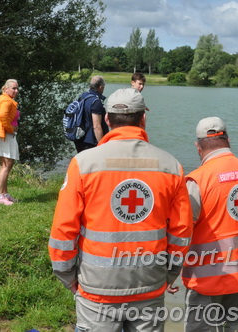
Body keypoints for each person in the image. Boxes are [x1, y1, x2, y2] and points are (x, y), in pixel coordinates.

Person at [48, 88, 193, 331]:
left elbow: (64, 230)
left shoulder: (83, 164)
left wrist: (67, 277)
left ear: (106, 119)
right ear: (143, 119)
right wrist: (169, 275)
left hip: (97, 287)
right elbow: (181, 233)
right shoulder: (171, 166)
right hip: (149, 285)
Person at [181, 117, 238, 331]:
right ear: (228, 140)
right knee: (236, 326)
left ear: (198, 147)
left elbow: (182, 231)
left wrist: (169, 271)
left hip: (206, 278)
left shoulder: (197, 180)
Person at [74, 75, 108, 152]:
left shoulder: (82, 96)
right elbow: (96, 126)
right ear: (100, 87)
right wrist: (102, 145)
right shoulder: (96, 102)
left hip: (79, 137)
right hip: (90, 141)